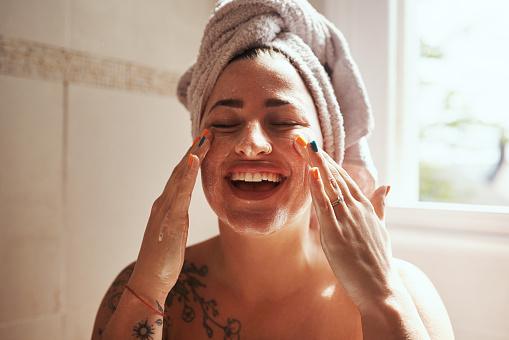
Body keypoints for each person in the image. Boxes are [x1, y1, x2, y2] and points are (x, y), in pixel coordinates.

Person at [92, 1, 454, 339]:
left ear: (327, 148)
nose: (251, 142)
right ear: (197, 146)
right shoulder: (138, 289)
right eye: (225, 122)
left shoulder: (405, 293)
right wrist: (149, 287)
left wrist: (382, 296)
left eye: (282, 121)